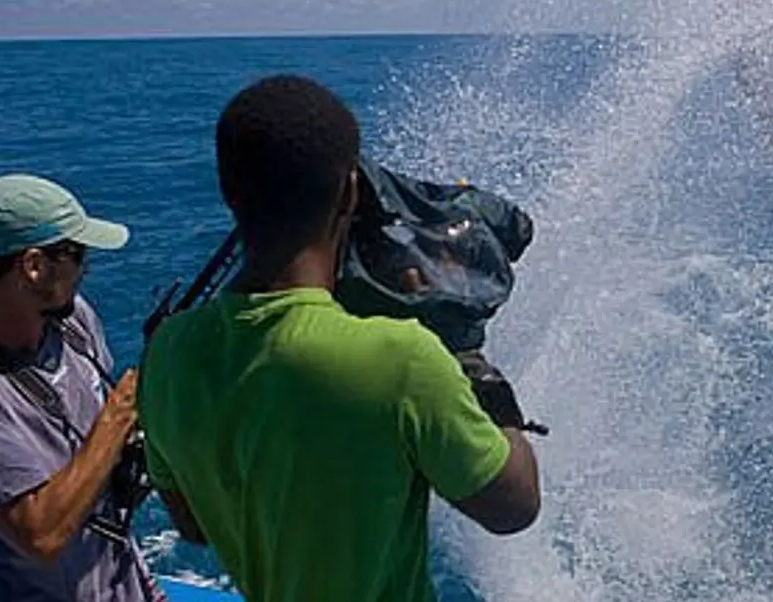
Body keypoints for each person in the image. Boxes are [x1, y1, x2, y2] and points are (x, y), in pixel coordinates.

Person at [138, 74, 543, 602]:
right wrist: (470, 359)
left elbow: (193, 525)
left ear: (226, 190)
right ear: (350, 189)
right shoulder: (403, 358)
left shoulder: (169, 350)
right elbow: (513, 506)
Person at [0, 174, 164, 601]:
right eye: (77, 255)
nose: (85, 270)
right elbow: (40, 535)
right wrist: (117, 418)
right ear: (32, 266)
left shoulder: (74, 321)